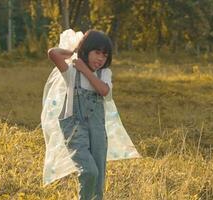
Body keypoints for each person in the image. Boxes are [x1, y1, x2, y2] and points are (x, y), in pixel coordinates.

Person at [41, 29, 141, 200]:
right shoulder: (71, 73)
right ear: (86, 50)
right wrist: (74, 52)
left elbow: (104, 91)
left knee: (99, 177)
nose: (100, 58)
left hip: (97, 131)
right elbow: (53, 53)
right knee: (89, 171)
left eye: (105, 55)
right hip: (75, 130)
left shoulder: (105, 74)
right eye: (96, 52)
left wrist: (85, 70)